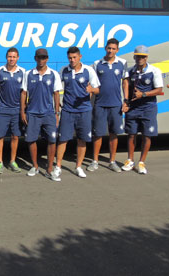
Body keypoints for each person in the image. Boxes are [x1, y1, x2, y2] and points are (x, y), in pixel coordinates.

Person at [55, 46, 100, 180]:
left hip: (84, 111)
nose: (72, 60)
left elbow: (97, 89)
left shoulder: (89, 70)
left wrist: (91, 89)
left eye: (74, 57)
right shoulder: (64, 70)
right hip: (68, 111)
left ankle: (78, 167)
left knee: (82, 140)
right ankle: (58, 167)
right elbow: (56, 88)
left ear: (80, 57)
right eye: (70, 58)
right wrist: (58, 105)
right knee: (63, 139)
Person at [20, 48, 62, 181]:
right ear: (35, 58)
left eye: (44, 57)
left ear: (47, 58)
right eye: (39, 57)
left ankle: (49, 169)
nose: (41, 60)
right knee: (31, 140)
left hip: (49, 113)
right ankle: (35, 166)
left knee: (52, 140)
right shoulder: (28, 74)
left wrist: (56, 113)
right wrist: (22, 111)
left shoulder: (54, 74)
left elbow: (56, 94)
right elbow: (24, 93)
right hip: (32, 112)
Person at [89, 38, 129, 173]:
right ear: (105, 48)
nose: (110, 50)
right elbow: (92, 85)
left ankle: (112, 161)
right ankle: (95, 161)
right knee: (98, 134)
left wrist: (126, 101)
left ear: (117, 50)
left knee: (114, 134)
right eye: (109, 48)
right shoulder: (97, 64)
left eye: (113, 48)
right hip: (100, 104)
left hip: (116, 104)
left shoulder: (122, 63)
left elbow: (125, 83)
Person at [122, 45, 163, 174]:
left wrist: (143, 94)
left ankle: (141, 162)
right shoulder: (130, 71)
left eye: (143, 57)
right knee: (131, 134)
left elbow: (159, 90)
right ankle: (130, 160)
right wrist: (126, 102)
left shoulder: (154, 71)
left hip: (148, 108)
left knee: (147, 135)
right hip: (133, 108)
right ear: (134, 57)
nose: (140, 59)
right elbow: (126, 87)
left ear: (146, 58)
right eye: (138, 56)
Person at [0, 48, 26, 174]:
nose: (11, 59)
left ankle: (12, 161)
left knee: (15, 136)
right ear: (6, 57)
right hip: (2, 109)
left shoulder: (23, 72)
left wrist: (22, 110)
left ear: (17, 57)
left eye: (14, 57)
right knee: (0, 136)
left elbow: (24, 92)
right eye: (9, 56)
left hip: (17, 110)